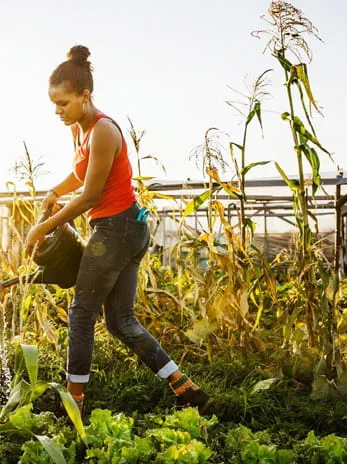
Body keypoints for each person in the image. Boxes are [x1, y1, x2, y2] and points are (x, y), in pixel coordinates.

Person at [25, 45, 211, 415]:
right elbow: (81, 174)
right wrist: (54, 192)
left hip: (117, 229)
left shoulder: (104, 131)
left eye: (63, 103)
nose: (57, 111)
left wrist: (42, 227)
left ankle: (73, 403)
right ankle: (184, 387)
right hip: (124, 230)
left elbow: (92, 194)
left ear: (84, 96)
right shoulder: (80, 131)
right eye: (54, 105)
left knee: (81, 314)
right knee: (120, 322)